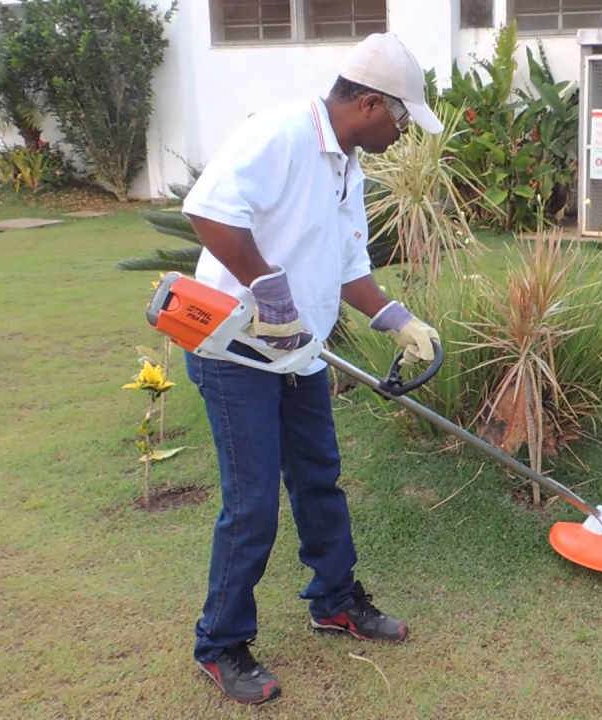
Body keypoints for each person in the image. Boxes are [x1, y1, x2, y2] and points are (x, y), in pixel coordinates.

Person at [178, 33, 443, 706]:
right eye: (402, 118)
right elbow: (209, 210)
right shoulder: (283, 133)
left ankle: (334, 600)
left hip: (297, 354)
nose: (403, 131)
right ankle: (222, 643)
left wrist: (398, 321)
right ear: (369, 103)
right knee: (252, 506)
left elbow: (349, 265)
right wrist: (268, 290)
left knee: (320, 480)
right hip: (236, 352)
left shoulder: (346, 163)